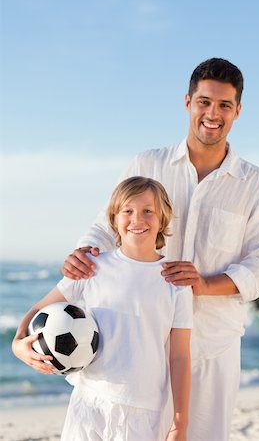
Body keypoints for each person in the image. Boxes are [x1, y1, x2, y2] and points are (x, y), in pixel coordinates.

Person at [61, 58, 259, 440]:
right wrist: (83, 253)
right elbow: (107, 224)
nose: (213, 114)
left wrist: (204, 284)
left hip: (213, 346)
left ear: (238, 111)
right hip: (138, 344)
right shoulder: (148, 163)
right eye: (204, 102)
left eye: (224, 105)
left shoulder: (256, 185)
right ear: (188, 102)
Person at [12, 176, 193, 441]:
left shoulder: (175, 281)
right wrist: (18, 343)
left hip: (141, 408)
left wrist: (180, 421)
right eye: (127, 211)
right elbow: (41, 308)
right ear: (114, 219)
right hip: (89, 399)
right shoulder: (93, 267)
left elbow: (179, 358)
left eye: (148, 211)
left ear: (162, 218)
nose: (137, 219)